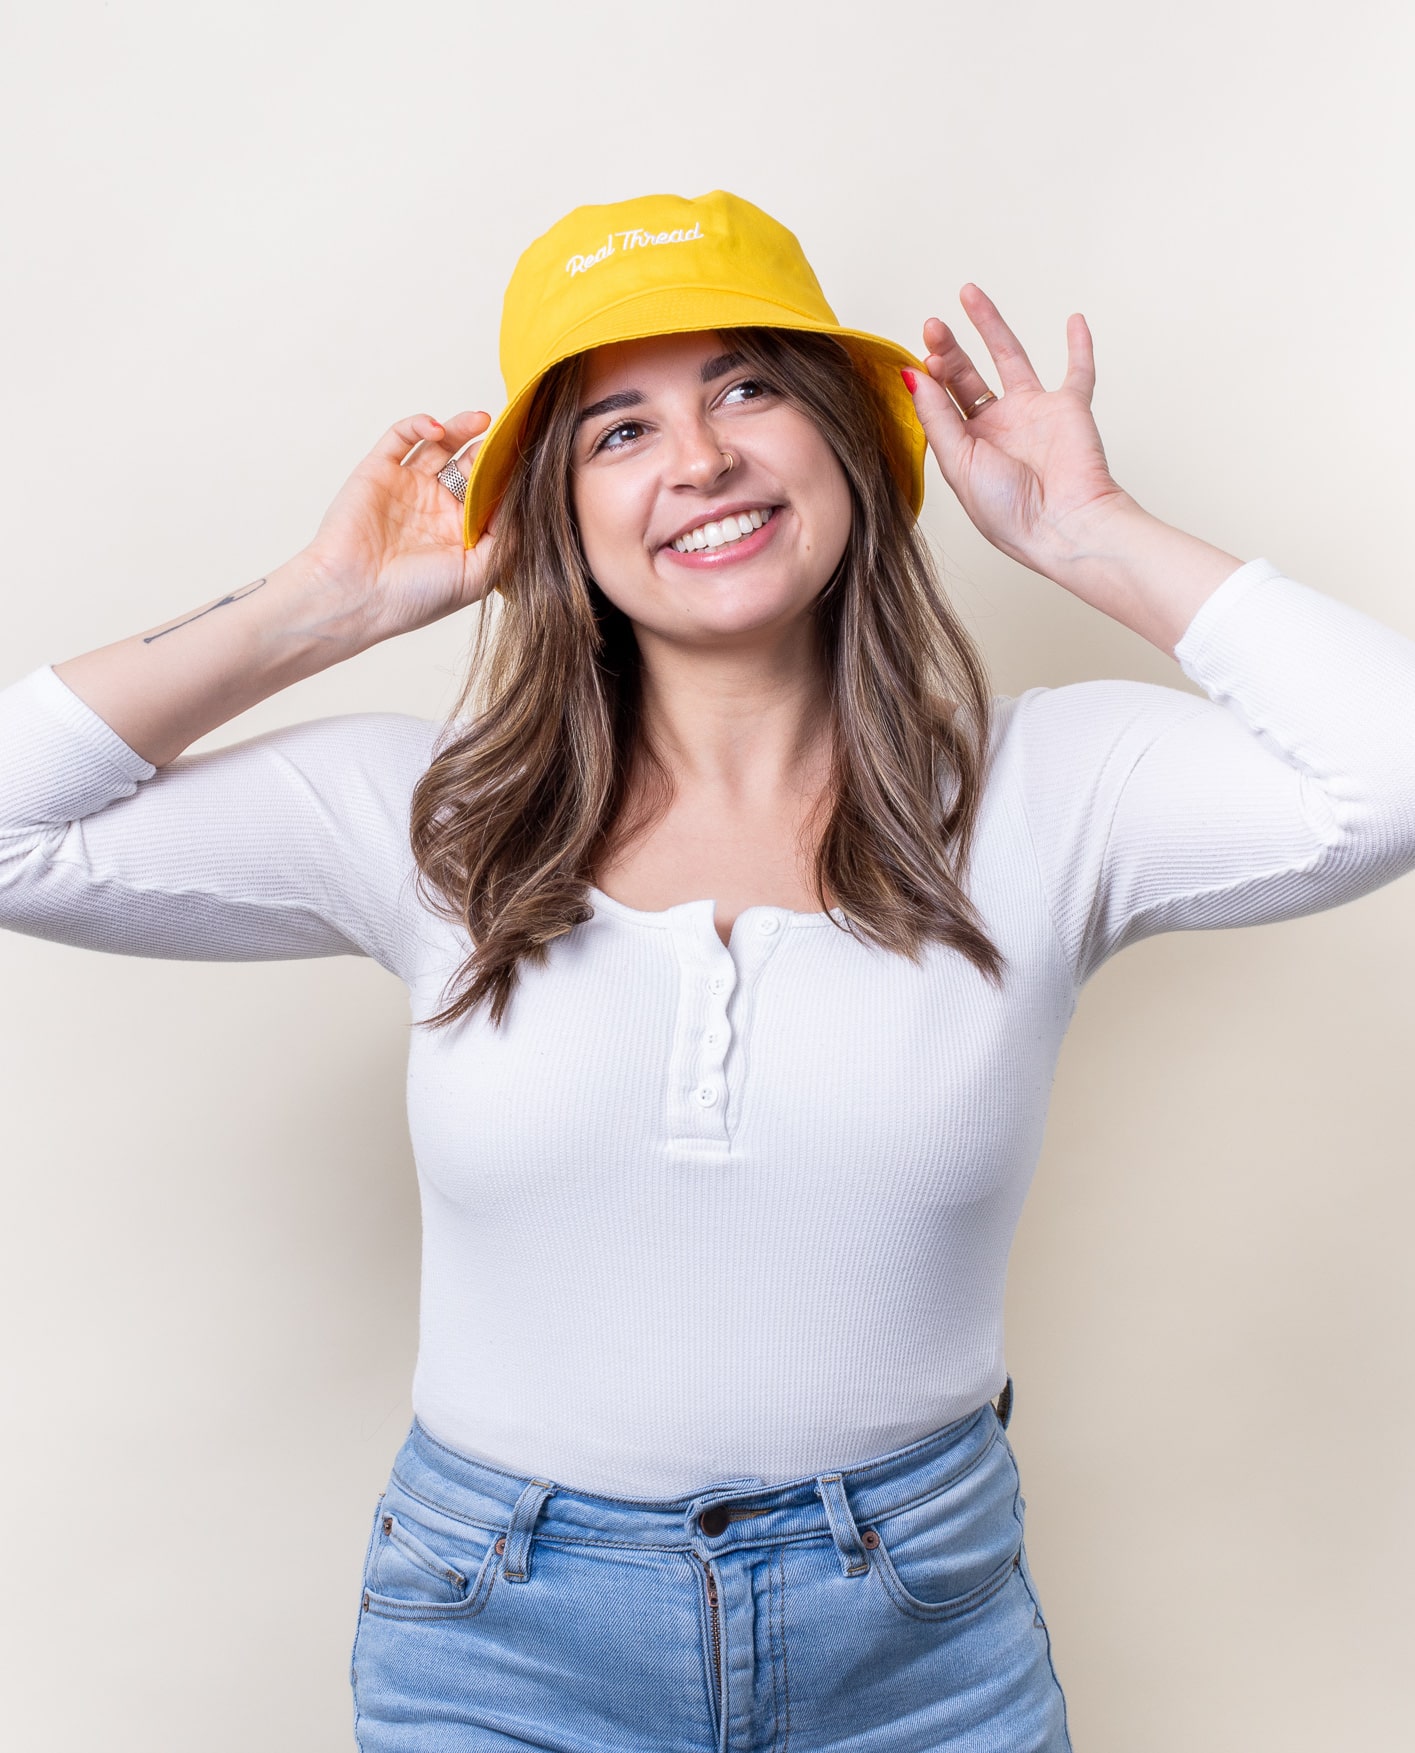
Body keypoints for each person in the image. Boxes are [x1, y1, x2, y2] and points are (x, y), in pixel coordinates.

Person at [1, 187, 1412, 1751]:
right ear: (552, 516)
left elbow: (1391, 773)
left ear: (849, 439)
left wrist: (1089, 533)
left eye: (747, 389)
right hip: (501, 1651)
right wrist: (321, 604)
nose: (700, 459)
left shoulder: (1049, 792)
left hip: (923, 1653)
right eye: (620, 431)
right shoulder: (437, 820)